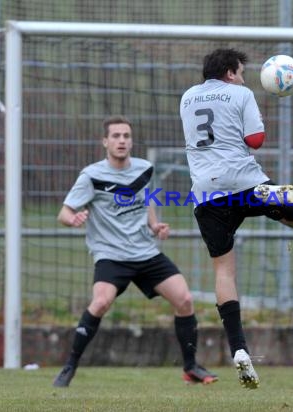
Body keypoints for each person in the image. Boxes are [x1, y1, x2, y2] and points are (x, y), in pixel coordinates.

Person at [179, 48, 293, 389]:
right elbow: (254, 140)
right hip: (245, 183)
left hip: (206, 193)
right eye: (240, 72)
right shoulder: (240, 93)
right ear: (229, 73)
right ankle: (277, 200)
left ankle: (239, 349)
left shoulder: (187, 97)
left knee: (224, 270)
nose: (242, 78)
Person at [53, 115, 217, 387]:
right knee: (101, 302)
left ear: (131, 141)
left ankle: (190, 368)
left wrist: (154, 226)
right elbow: (64, 212)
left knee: (185, 300)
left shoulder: (144, 169)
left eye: (126, 136)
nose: (121, 141)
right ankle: (69, 366)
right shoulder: (91, 176)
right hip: (111, 255)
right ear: (105, 141)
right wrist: (72, 219)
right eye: (116, 136)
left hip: (145, 252)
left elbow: (147, 199)